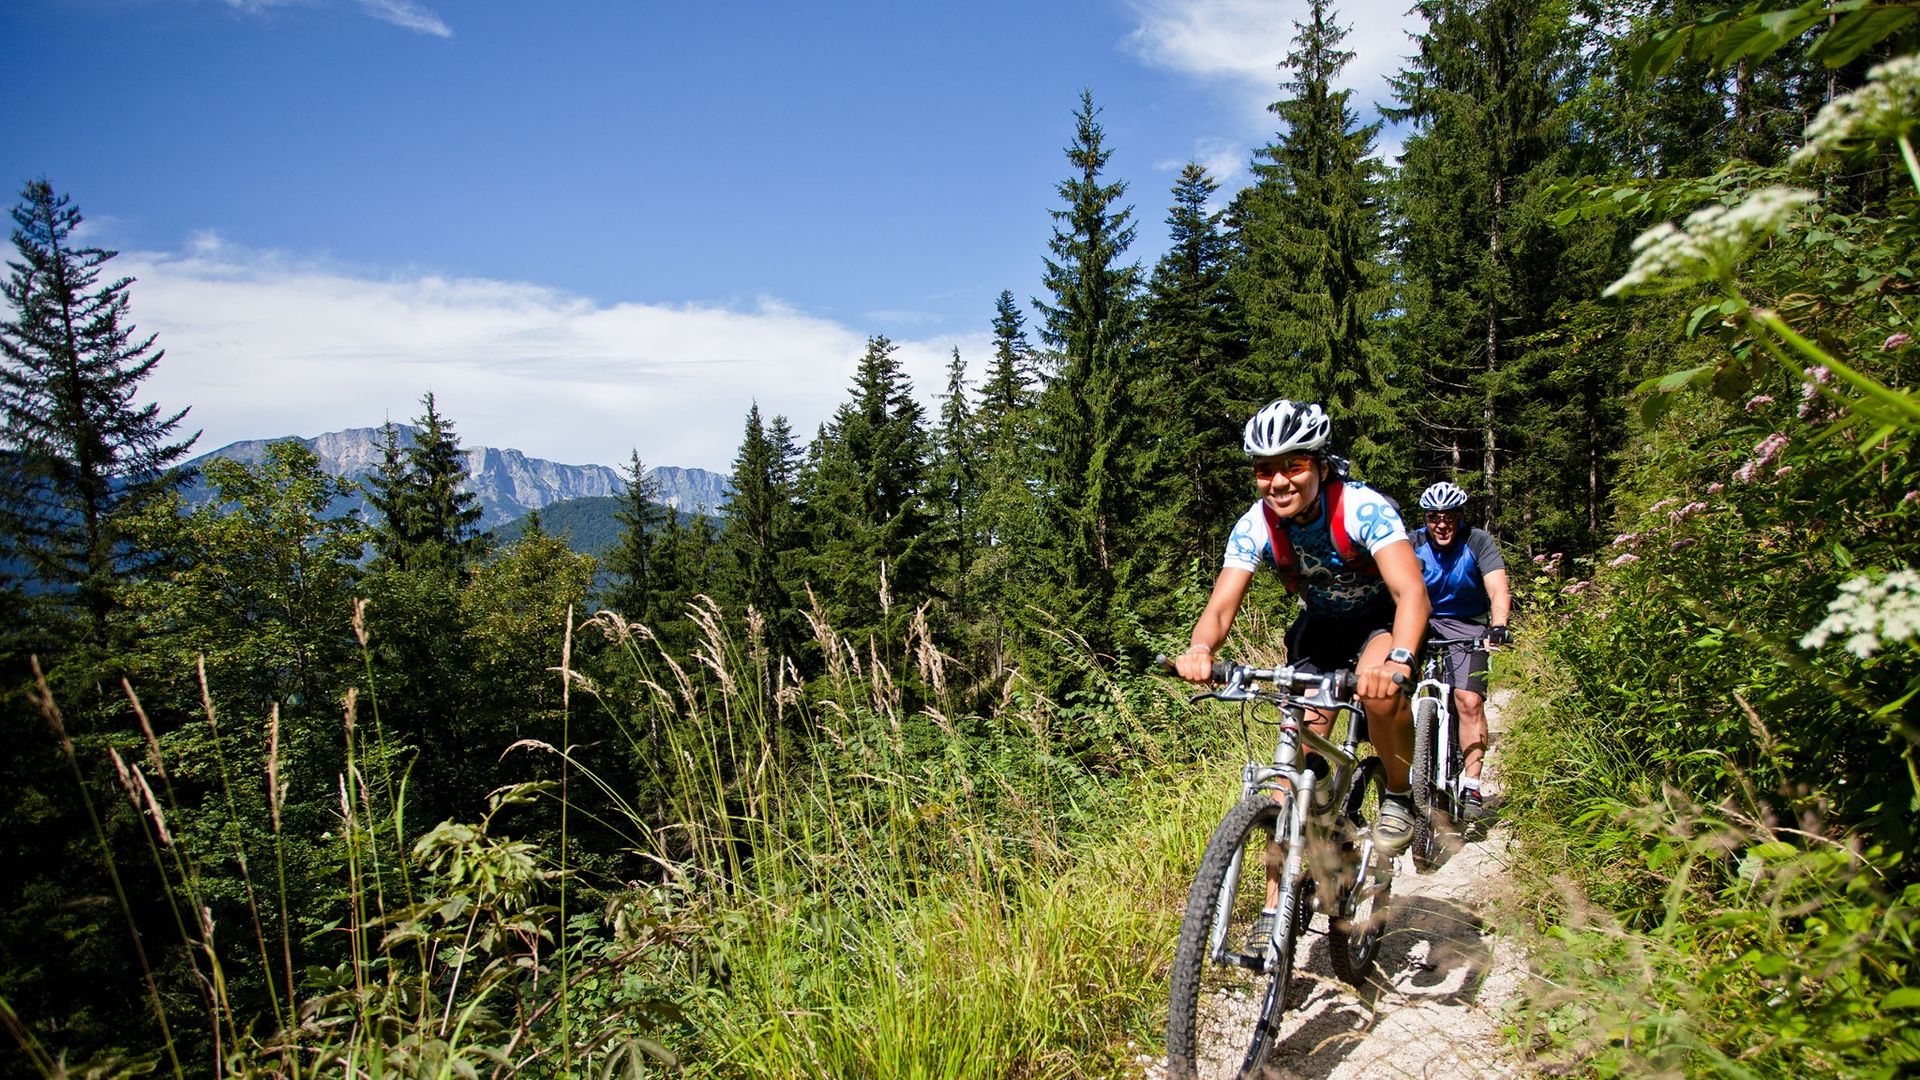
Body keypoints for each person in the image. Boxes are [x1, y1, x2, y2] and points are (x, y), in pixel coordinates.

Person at [1175, 399, 1431, 885]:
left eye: (1292, 466)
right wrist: (1201, 649)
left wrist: (1398, 660)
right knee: (1289, 771)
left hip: (1381, 621)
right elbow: (1221, 606)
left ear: (1318, 463)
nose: (1279, 482)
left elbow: (1410, 590)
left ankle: (1399, 793)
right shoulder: (1256, 524)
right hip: (1322, 627)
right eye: (1265, 470)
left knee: (1381, 696)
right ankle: (1277, 915)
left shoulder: (1361, 507)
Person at [1411, 481, 1511, 819]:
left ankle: (1471, 782)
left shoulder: (1477, 541)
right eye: (1433, 517)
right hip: (1419, 618)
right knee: (1389, 689)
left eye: (1449, 516)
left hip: (1466, 622)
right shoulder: (1413, 542)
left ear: (1461, 516)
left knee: (1468, 701)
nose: (1441, 524)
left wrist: (1498, 626)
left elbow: (1497, 587)